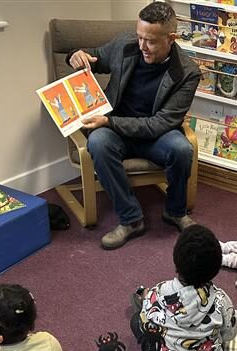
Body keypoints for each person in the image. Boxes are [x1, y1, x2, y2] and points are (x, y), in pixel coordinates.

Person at [67, 2, 201, 250]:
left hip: (155, 135)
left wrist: (110, 121)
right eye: (140, 37)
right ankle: (131, 219)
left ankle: (174, 211)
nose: (142, 46)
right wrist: (77, 55)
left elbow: (161, 123)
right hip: (116, 131)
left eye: (150, 41)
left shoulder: (187, 72)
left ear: (171, 38)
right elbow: (93, 57)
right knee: (97, 141)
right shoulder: (125, 45)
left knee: (182, 149)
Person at [131, 224, 237, 351]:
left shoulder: (158, 293)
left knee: (136, 320)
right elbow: (229, 335)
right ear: (215, 269)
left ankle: (143, 299)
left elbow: (148, 327)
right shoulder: (222, 300)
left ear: (176, 261)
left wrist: (149, 300)